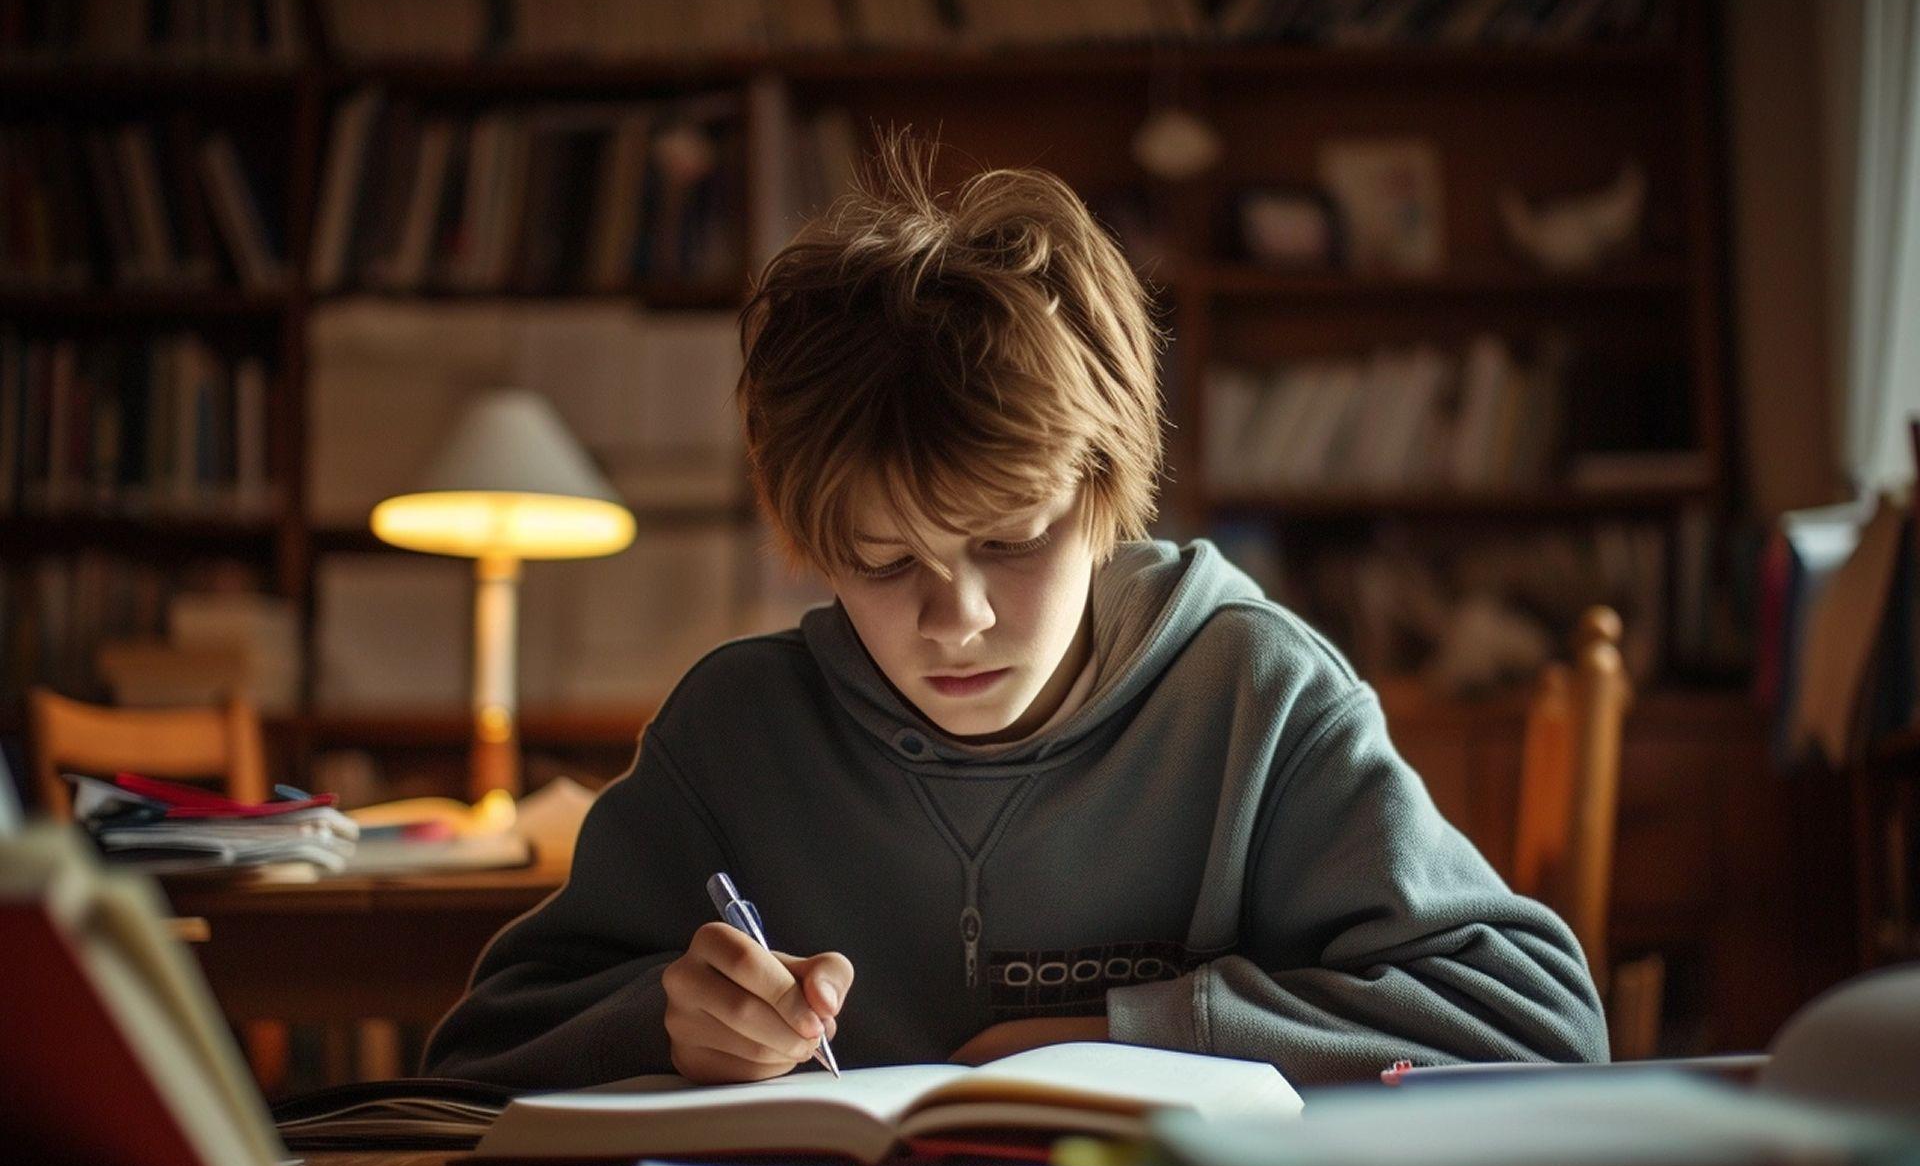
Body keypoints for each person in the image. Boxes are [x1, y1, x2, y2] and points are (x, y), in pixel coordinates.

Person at [424, 134, 1608, 1088]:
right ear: (814, 550)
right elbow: (478, 1050)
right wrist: (662, 1019)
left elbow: (1546, 1026)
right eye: (885, 562)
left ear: (1103, 495)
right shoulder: (736, 733)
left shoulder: (1255, 695)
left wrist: (1153, 1027)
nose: (960, 618)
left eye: (1011, 540)